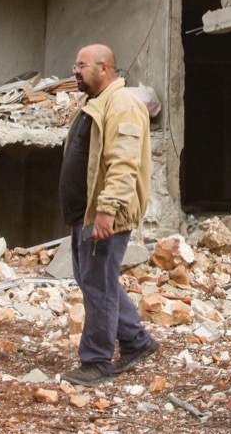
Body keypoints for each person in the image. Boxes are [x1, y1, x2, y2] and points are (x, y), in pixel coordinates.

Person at [57, 44, 158, 385]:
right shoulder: (97, 103)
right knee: (94, 281)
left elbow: (124, 163)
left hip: (103, 218)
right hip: (86, 216)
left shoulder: (122, 105)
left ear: (104, 69)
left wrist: (106, 211)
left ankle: (97, 362)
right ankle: (136, 341)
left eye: (81, 65)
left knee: (97, 286)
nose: (75, 71)